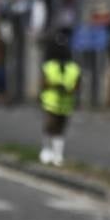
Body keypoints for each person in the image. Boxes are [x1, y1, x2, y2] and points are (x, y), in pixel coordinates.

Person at [39, 36, 81, 167]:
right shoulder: (51, 66)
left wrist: (65, 88)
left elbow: (77, 86)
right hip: (52, 102)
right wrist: (57, 86)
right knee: (51, 127)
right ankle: (46, 151)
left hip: (64, 103)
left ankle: (57, 155)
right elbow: (44, 83)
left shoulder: (72, 68)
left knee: (59, 129)